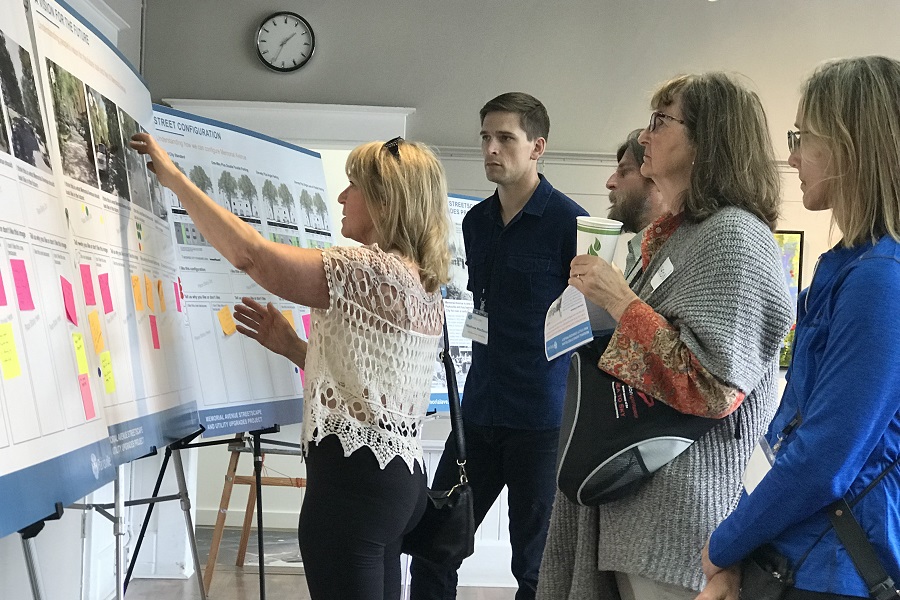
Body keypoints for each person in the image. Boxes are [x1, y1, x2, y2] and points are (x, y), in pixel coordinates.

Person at [130, 133, 451, 600]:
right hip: (397, 484)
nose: (342, 196)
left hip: (352, 490)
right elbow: (370, 388)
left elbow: (253, 256)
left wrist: (174, 178)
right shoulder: (421, 283)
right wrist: (293, 347)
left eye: (353, 185)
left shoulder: (369, 270)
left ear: (385, 200)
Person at [537, 73, 794, 600]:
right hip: (638, 505)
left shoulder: (734, 237)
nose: (645, 136)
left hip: (681, 523)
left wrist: (619, 301)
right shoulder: (681, 233)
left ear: (710, 136)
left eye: (660, 121)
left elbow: (711, 385)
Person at [699, 56, 900, 600]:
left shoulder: (880, 280)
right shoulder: (847, 267)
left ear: (849, 145)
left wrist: (725, 544)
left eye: (802, 137)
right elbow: (790, 428)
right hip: (797, 552)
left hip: (834, 566)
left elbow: (824, 455)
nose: (790, 157)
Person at [409, 92, 589, 600]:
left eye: (505, 138)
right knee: (433, 544)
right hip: (478, 414)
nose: (491, 148)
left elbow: (591, 326)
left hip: (541, 422)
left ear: (538, 147)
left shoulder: (570, 225)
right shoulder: (475, 223)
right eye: (485, 137)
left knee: (534, 567)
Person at [606, 128, 666, 282]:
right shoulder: (638, 251)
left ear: (658, 180)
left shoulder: (678, 252)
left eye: (624, 172)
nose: (610, 183)